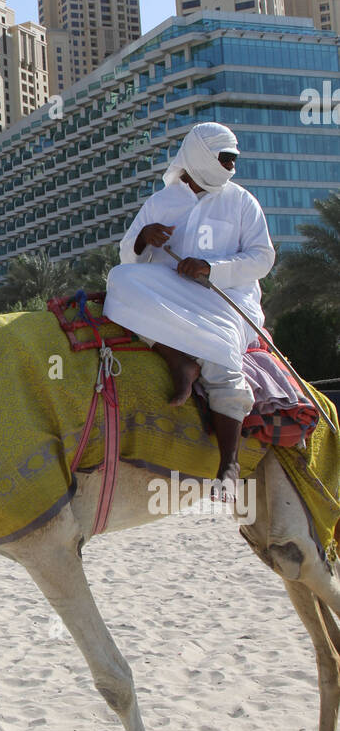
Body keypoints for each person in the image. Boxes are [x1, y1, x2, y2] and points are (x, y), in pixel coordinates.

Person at [102, 121, 275, 502]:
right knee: (120, 280)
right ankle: (177, 358)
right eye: (224, 158)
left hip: (224, 297)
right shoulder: (161, 202)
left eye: (234, 160)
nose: (231, 167)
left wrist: (211, 268)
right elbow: (129, 254)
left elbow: (262, 258)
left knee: (219, 350)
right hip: (172, 294)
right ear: (199, 156)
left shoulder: (242, 201)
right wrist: (144, 239)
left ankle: (228, 464)